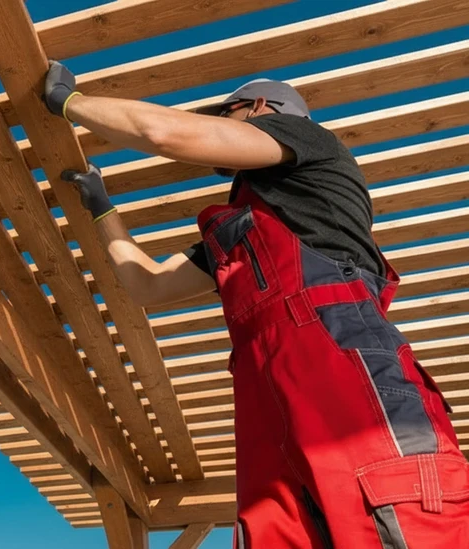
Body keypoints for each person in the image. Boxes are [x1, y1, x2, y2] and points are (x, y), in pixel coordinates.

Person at [42, 61, 469, 548]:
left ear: (263, 109)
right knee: (279, 532)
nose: (222, 128)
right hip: (265, 377)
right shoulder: (244, 232)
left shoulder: (309, 141)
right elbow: (149, 287)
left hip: (337, 344)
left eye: (228, 115)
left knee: (392, 509)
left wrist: (68, 104)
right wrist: (103, 210)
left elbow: (160, 132)